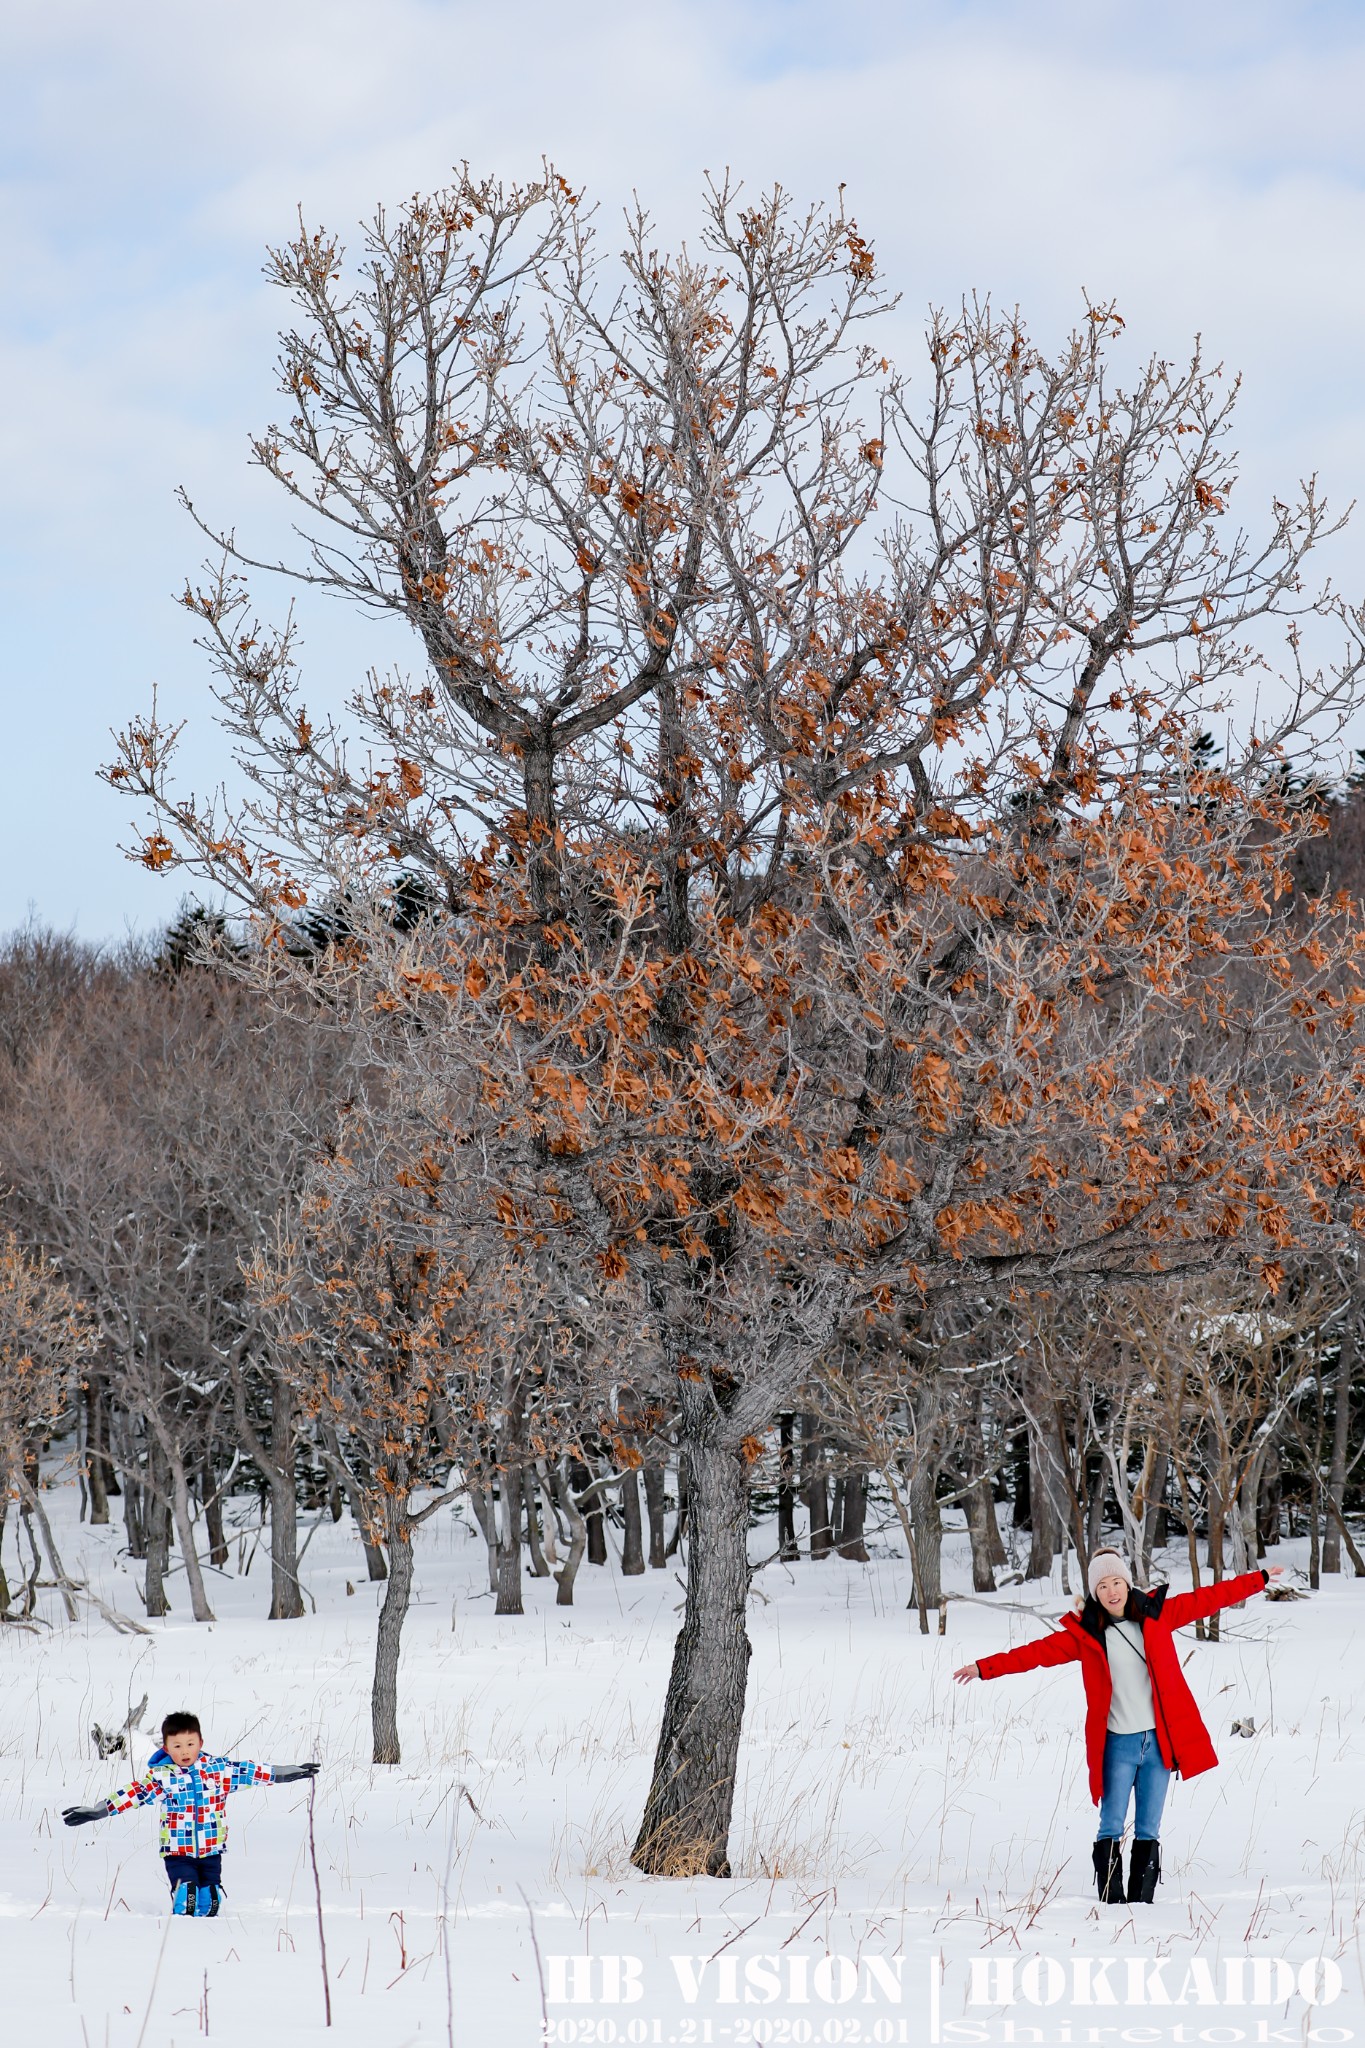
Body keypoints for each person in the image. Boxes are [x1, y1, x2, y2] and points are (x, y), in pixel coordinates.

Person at [953, 1550, 1282, 1904]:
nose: (1112, 1591)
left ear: (1127, 1584)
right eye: (1103, 1586)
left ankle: (1143, 1903)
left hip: (1158, 1745)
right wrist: (984, 1668)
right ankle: (1111, 1901)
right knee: (1111, 1824)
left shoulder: (1159, 1615)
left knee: (1148, 1828)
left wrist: (1257, 1580)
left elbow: (1209, 1599)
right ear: (1095, 1593)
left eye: (1116, 1582)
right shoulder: (1086, 1635)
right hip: (1117, 1747)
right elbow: (1034, 1654)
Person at [61, 1710, 320, 1916]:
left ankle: (208, 1931)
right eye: (177, 1746)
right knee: (188, 1893)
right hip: (178, 1852)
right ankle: (182, 1929)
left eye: (189, 1744)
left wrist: (287, 1772)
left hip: (211, 1850)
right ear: (165, 1747)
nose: (184, 1751)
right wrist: (98, 1810)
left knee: (211, 1899)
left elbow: (251, 1772)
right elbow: (133, 1794)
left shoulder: (218, 1770)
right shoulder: (162, 1777)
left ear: (200, 1743)